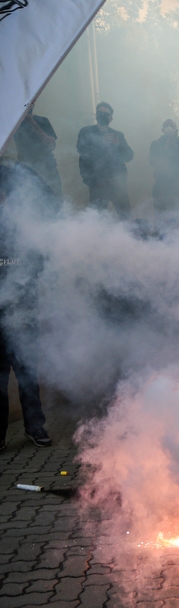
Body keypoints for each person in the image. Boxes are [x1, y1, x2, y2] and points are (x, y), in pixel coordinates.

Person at [0, 164, 51, 451]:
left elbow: (38, 264)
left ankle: (35, 426)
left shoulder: (22, 228)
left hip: (22, 314)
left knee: (27, 375)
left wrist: (21, 289)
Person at [77, 102, 134, 217]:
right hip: (97, 182)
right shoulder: (86, 132)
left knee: (126, 215)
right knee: (97, 218)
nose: (102, 115)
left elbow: (129, 156)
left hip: (117, 182)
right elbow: (82, 151)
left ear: (111, 118)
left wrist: (118, 145)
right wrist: (101, 144)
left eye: (106, 114)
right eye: (100, 113)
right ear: (96, 115)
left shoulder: (118, 135)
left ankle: (128, 234)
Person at [13, 105, 62, 201]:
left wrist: (32, 123)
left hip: (47, 168)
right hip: (26, 169)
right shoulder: (14, 123)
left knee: (56, 200)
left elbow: (51, 145)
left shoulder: (43, 120)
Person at [149, 119, 179, 213]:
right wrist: (166, 149)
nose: (169, 128)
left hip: (178, 187)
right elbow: (153, 162)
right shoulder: (156, 144)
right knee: (160, 215)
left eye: (172, 126)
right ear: (162, 130)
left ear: (176, 129)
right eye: (166, 126)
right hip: (161, 185)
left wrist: (176, 147)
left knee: (177, 217)